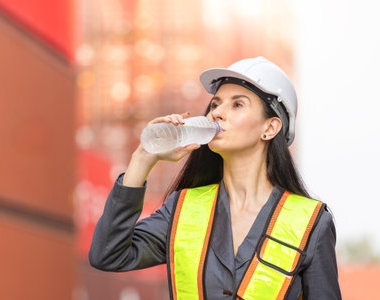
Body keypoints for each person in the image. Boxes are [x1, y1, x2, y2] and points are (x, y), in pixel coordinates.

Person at [89, 57, 342, 300]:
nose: (217, 113)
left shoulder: (310, 222)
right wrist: (143, 158)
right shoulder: (183, 209)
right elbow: (107, 254)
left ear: (270, 128)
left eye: (237, 104)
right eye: (215, 104)